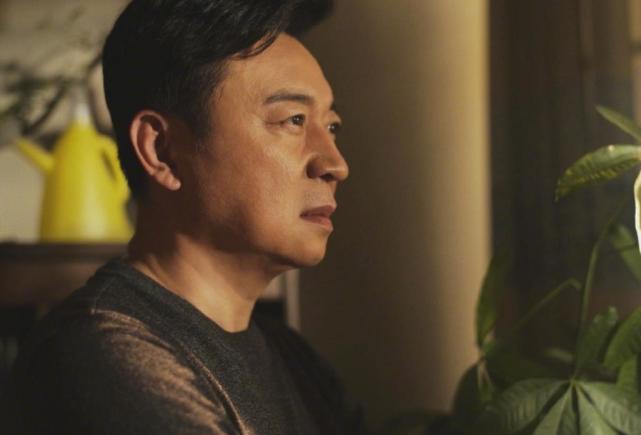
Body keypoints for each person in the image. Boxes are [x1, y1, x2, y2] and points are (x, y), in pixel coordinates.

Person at [2, 0, 367, 433]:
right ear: (162, 151)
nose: (335, 164)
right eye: (293, 120)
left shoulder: (295, 360)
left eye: (331, 126)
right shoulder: (101, 355)